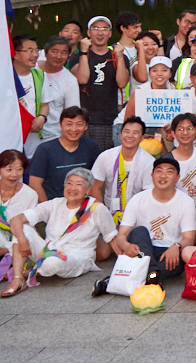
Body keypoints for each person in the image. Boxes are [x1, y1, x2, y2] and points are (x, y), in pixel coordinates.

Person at [4, 167, 118, 296]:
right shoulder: (55, 204)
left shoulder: (97, 209)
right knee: (23, 229)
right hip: (47, 251)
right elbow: (16, 219)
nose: (72, 188)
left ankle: (33, 272)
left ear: (88, 189)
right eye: (69, 183)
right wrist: (22, 239)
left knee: (52, 263)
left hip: (77, 257)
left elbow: (112, 237)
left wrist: (124, 265)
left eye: (79, 184)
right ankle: (18, 278)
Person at [96, 155, 196, 293]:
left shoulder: (186, 202)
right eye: (159, 171)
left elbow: (189, 239)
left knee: (179, 259)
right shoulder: (137, 199)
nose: (163, 176)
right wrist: (126, 246)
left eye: (169, 172)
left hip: (169, 252)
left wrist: (177, 246)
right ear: (152, 175)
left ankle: (117, 281)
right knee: (139, 231)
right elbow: (122, 235)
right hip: (142, 249)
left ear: (177, 178)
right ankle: (153, 277)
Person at [74, 15, 130, 148]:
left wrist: (120, 57)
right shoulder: (78, 56)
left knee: (107, 157)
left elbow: (122, 83)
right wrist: (83, 52)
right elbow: (82, 79)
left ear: (110, 33)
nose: (100, 33)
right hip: (84, 119)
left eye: (104, 29)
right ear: (88, 33)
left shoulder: (120, 57)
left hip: (109, 119)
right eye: (95, 28)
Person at [28, 106, 102, 200]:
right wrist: (48, 207)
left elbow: (96, 182)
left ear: (86, 126)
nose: (74, 129)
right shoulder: (44, 149)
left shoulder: (91, 146)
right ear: (61, 125)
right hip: (53, 204)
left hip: (82, 204)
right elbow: (35, 184)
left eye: (79, 124)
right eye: (69, 124)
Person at [90, 116, 154, 223]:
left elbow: (148, 194)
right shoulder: (106, 156)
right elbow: (95, 187)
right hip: (108, 211)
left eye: (135, 132)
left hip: (137, 215)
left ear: (142, 137)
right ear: (120, 135)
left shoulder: (149, 162)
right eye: (127, 131)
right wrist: (102, 214)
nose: (130, 136)